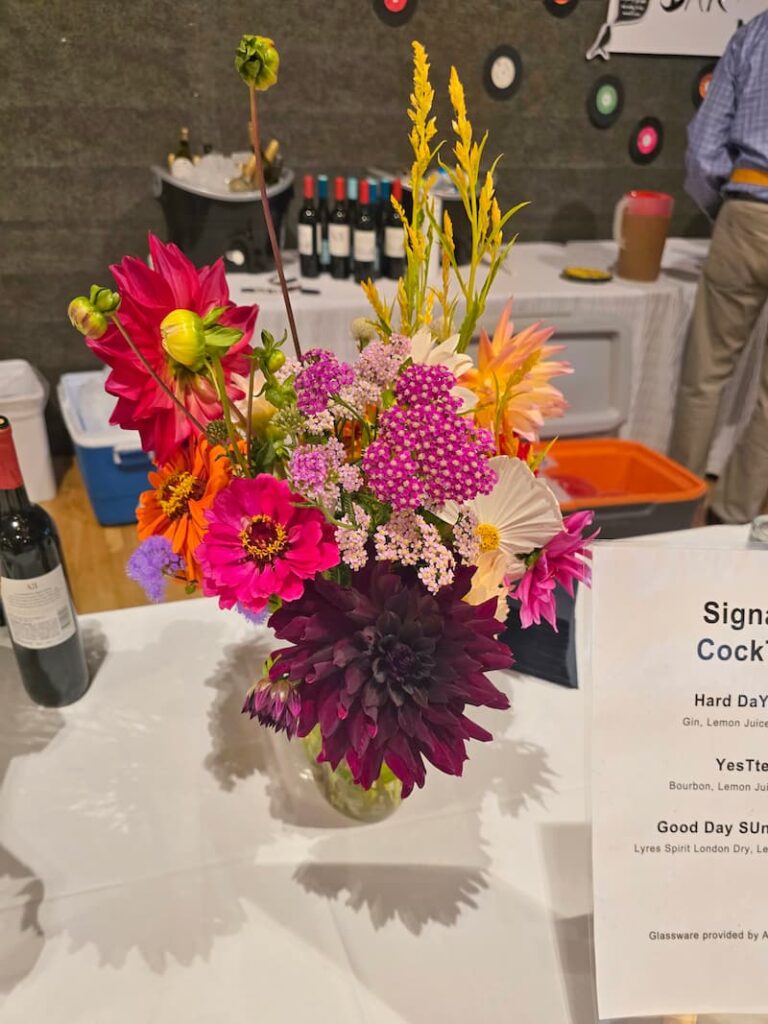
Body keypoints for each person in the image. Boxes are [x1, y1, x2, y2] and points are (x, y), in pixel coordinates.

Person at [670, 12, 768, 525]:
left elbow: (705, 152)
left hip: (749, 208)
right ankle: (734, 521)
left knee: (703, 377)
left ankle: (673, 510)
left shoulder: (756, 32)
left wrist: (724, 210)